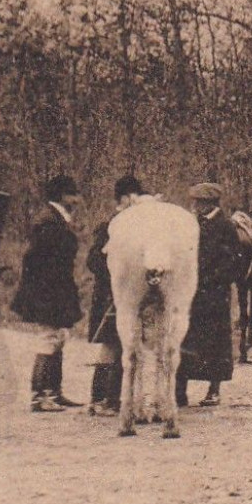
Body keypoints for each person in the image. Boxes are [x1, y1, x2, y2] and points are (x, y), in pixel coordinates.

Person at [12, 174, 85, 412]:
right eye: (73, 195)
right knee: (48, 339)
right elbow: (39, 261)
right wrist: (49, 293)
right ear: (63, 196)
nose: (76, 200)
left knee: (57, 338)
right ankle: (40, 396)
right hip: (49, 290)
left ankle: (53, 392)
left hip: (54, 288)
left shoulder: (54, 218)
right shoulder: (50, 222)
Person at [86, 174, 145, 416]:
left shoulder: (133, 225)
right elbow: (94, 260)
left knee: (121, 344)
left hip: (124, 294)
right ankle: (102, 399)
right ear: (126, 198)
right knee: (112, 345)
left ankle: (109, 399)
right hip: (110, 295)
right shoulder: (111, 226)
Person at [178, 182, 239, 408]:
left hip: (214, 294)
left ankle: (214, 390)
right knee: (184, 338)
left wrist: (210, 281)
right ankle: (179, 391)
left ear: (209, 203)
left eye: (198, 202)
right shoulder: (192, 224)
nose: (194, 206)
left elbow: (231, 262)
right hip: (191, 291)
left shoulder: (225, 226)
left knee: (216, 342)